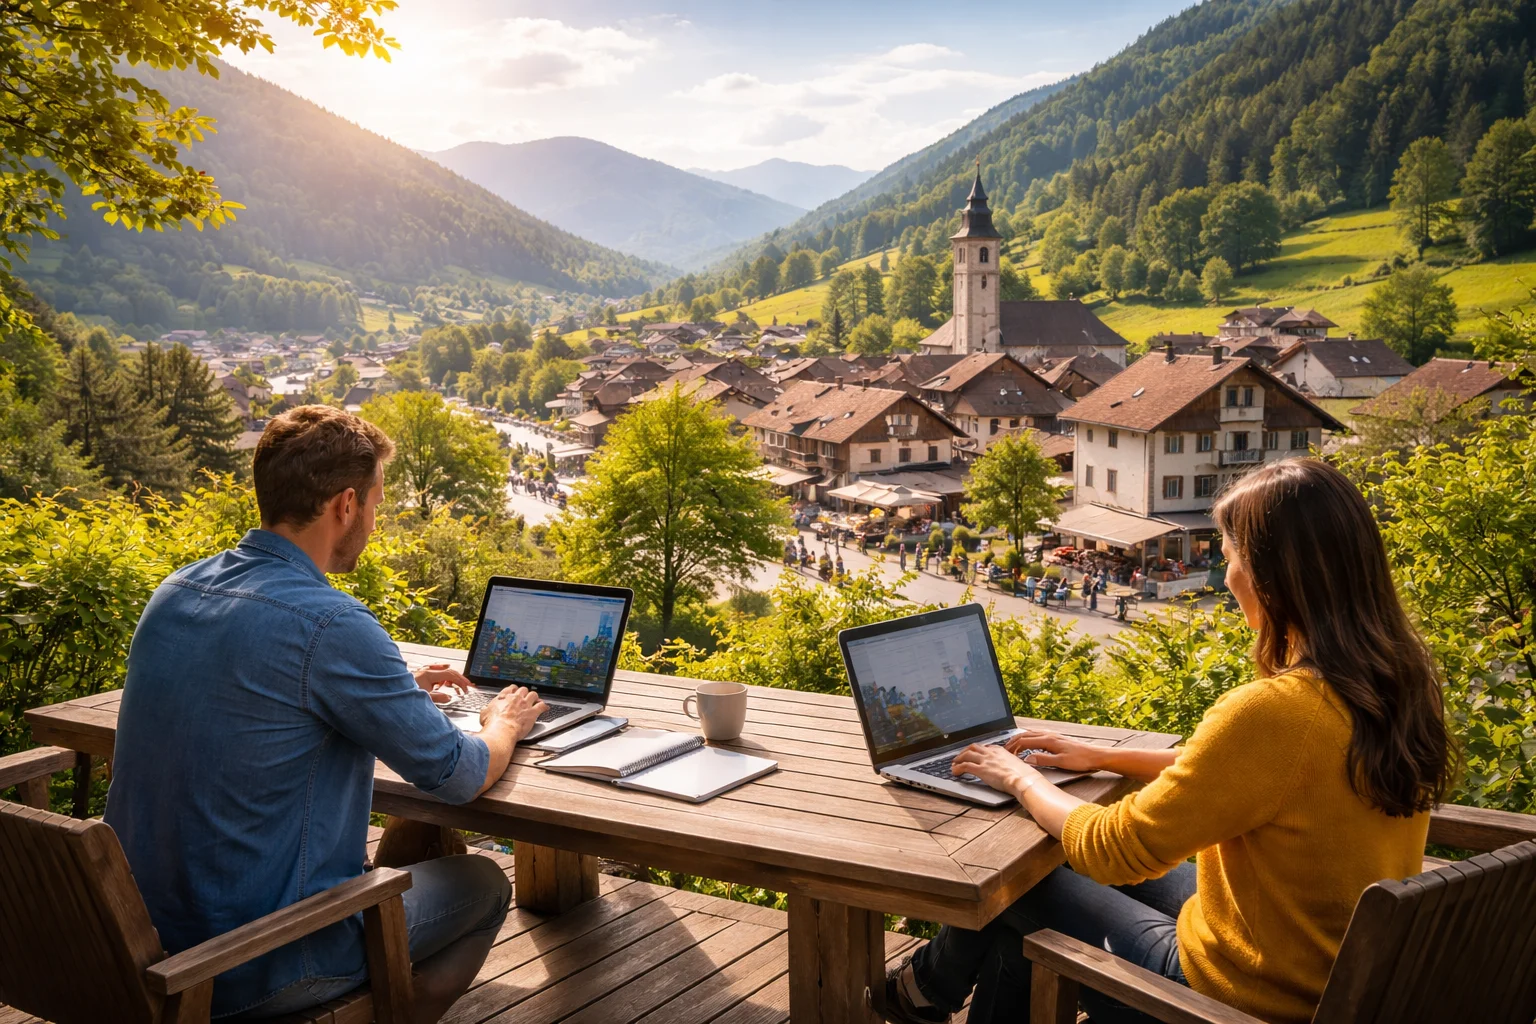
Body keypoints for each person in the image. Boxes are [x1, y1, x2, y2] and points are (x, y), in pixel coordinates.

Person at [882, 459, 1452, 1024]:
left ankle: (923, 990)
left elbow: (1114, 850)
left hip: (1243, 996)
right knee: (1025, 931)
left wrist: (1020, 778)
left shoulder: (1275, 711)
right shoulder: (1396, 680)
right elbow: (1252, 772)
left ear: (1268, 575)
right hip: (1325, 962)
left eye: (1229, 558)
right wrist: (1104, 755)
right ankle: (926, 993)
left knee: (1022, 885)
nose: (1226, 578)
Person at [105, 406, 549, 1023]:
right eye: (375, 503)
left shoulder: (176, 591)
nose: (375, 520)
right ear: (345, 504)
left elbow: (261, 692)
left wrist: (394, 689)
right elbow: (456, 773)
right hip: (254, 962)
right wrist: (502, 722)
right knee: (482, 885)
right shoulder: (330, 623)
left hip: (146, 945)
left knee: (404, 856)